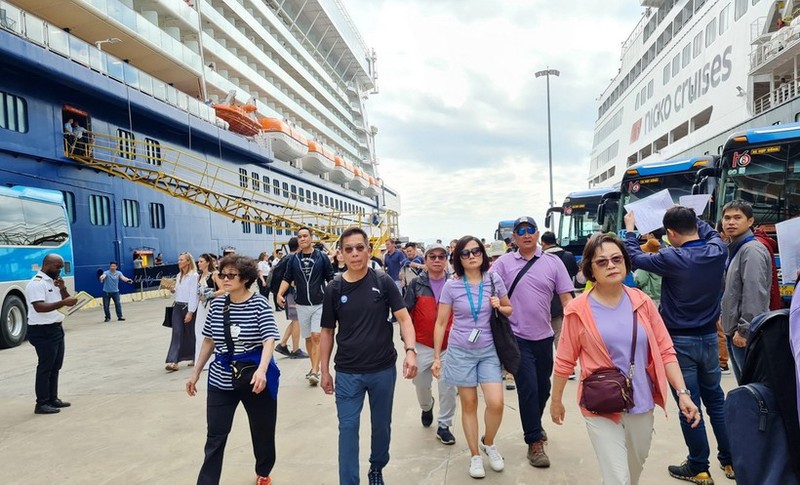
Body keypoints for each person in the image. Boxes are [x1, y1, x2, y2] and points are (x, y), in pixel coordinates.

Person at [550, 233, 700, 484]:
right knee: (618, 478)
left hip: (641, 401)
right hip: (600, 403)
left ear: (626, 263)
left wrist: (683, 393)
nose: (611, 265)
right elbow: (564, 361)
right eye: (602, 262)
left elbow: (665, 350)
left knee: (633, 470)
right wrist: (556, 400)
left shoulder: (642, 302)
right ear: (590, 269)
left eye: (616, 259)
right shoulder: (577, 310)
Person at [624, 207, 734, 483]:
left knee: (689, 403)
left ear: (671, 233)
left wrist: (628, 229)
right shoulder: (717, 250)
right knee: (716, 402)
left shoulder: (672, 257)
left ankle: (699, 466)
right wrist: (691, 216)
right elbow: (708, 230)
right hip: (710, 337)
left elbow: (633, 256)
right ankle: (731, 461)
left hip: (678, 342)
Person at [319, 227, 418, 485]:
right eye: (348, 249)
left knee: (381, 425)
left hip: (382, 370)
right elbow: (327, 331)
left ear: (369, 250)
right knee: (348, 429)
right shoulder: (333, 288)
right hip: (348, 373)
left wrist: (410, 351)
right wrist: (324, 370)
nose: (354, 254)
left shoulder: (382, 282)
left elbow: (404, 319)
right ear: (340, 254)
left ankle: (377, 467)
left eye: (359, 248)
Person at [186, 254, 280, 485]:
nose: (225, 279)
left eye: (231, 275)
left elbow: (269, 339)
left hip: (253, 379)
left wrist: (262, 370)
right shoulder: (217, 305)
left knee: (262, 431)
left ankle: (263, 471)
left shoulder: (259, 304)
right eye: (222, 274)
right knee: (215, 437)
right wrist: (196, 372)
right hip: (221, 380)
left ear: (245, 278)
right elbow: (209, 341)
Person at [490, 217, 574, 468]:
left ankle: (534, 425)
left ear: (537, 234)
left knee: (543, 388)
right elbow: (484, 287)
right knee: (527, 387)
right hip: (516, 338)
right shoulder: (503, 264)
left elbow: (567, 298)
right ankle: (534, 441)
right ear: (514, 238)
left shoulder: (553, 262)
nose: (526, 235)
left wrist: (575, 328)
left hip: (544, 335)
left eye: (530, 230)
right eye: (520, 231)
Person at [433, 236, 513, 479]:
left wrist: (499, 305)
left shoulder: (493, 279)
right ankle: (475, 455)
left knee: (496, 403)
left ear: (483, 253)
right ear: (458, 258)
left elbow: (510, 309)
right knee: (469, 404)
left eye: (475, 251)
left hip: (488, 351)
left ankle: (488, 442)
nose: (471, 256)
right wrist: (437, 356)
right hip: (460, 351)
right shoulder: (452, 285)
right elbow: (441, 322)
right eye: (465, 253)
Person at [404, 243, 458, 445]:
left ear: (447, 260)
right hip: (422, 345)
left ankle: (444, 425)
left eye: (441, 256)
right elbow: (406, 316)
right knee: (421, 385)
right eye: (432, 256)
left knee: (448, 388)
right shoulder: (416, 284)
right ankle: (427, 407)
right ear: (425, 260)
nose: (437, 260)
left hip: (448, 346)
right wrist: (408, 345)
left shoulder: (454, 283)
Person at [720, 200, 772, 383]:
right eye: (727, 218)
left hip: (744, 334)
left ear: (750, 221)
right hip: (733, 331)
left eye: (737, 218)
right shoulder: (735, 248)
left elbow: (754, 292)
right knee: (745, 386)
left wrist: (744, 330)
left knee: (753, 387)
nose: (730, 222)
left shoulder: (752, 251)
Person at [277, 227, 334, 385]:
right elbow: (287, 277)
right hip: (301, 303)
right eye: (299, 237)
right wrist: (279, 293)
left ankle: (316, 371)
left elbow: (330, 278)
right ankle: (313, 366)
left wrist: (333, 297)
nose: (302, 239)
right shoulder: (293, 259)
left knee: (317, 336)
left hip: (319, 303)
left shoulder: (322, 257)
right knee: (308, 338)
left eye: (305, 236)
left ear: (311, 238)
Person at [26, 254, 78, 414]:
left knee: (56, 366)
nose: (60, 270)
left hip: (56, 328)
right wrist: (63, 302)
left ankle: (52, 399)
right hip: (42, 331)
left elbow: (67, 301)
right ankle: (41, 403)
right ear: (47, 265)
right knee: (45, 367)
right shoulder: (36, 284)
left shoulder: (54, 282)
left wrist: (62, 289)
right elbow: (39, 307)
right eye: (58, 267)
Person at [540, 231, 579, 348]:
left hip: (550, 302)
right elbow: (575, 272)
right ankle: (563, 358)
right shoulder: (568, 255)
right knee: (562, 333)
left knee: (549, 332)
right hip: (567, 299)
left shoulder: (540, 259)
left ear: (543, 243)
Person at [165, 252, 199, 372]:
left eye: (181, 260)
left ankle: (195, 356)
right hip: (177, 307)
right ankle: (173, 361)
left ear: (188, 262)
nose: (179, 262)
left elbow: (193, 295)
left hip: (188, 307)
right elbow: (179, 291)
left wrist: (190, 312)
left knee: (191, 333)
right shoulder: (179, 275)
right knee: (177, 333)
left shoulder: (194, 276)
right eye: (179, 260)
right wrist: (172, 289)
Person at [195, 253, 223, 370]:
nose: (199, 263)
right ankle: (201, 361)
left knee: (214, 333)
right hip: (202, 307)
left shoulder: (215, 274)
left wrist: (210, 294)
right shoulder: (199, 276)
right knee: (199, 331)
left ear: (207, 262)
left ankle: (215, 359)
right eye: (198, 261)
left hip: (213, 306)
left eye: (201, 261)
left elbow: (224, 289)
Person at [633, 232, 663, 306]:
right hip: (662, 297)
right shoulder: (663, 260)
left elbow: (640, 280)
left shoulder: (646, 263)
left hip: (650, 297)